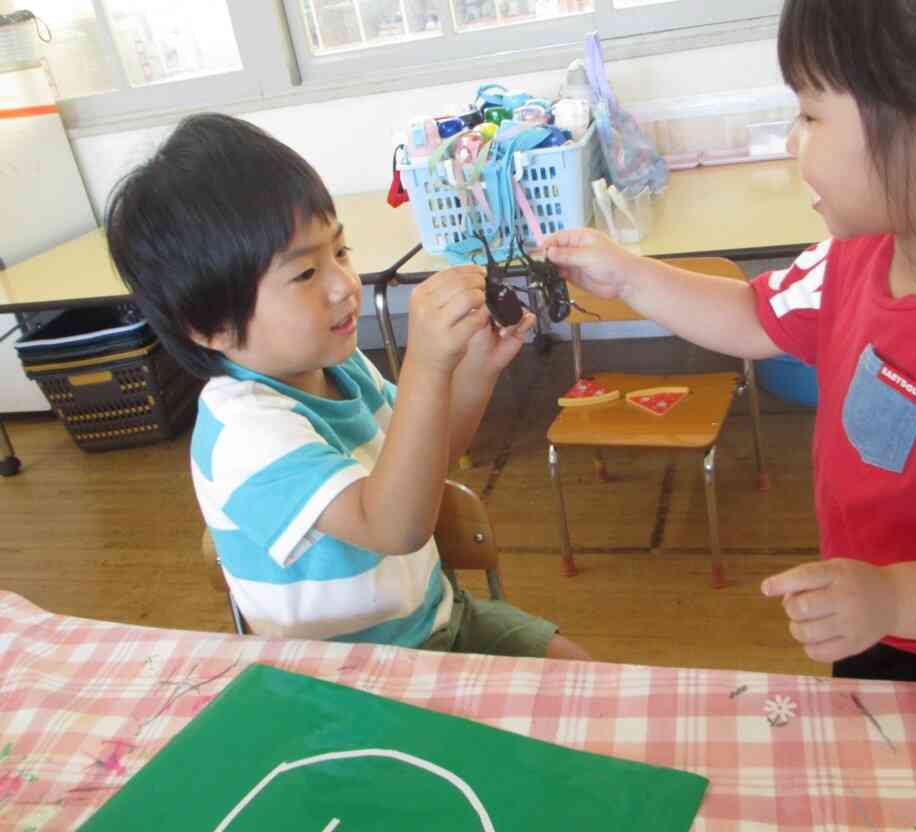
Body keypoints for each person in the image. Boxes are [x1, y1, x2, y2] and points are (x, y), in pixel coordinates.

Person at [544, 0, 916, 689]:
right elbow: (751, 314)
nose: (789, 140)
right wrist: (628, 276)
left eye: (809, 115)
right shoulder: (857, 254)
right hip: (874, 616)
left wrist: (893, 597)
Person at [106, 113, 588, 660]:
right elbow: (393, 526)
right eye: (305, 274)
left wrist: (478, 368)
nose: (344, 284)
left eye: (339, 251)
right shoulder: (245, 433)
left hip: (436, 621)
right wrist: (426, 367)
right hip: (346, 675)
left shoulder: (340, 365)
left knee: (583, 678)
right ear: (210, 325)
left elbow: (430, 457)